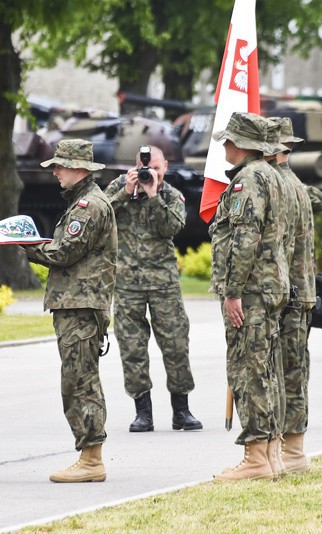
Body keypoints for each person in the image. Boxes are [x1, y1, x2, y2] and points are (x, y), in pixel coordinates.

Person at [23, 139, 117, 483]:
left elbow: (64, 252)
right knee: (77, 377)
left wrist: (26, 245)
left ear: (79, 168)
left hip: (81, 304)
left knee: (80, 380)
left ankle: (92, 458)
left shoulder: (89, 206)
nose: (56, 172)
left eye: (60, 166)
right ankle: (89, 454)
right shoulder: (82, 202)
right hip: (76, 304)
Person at [208, 112, 289, 481]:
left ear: (241, 144)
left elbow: (245, 237)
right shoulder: (272, 175)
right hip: (269, 285)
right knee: (266, 369)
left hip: (252, 289)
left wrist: (233, 292)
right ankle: (270, 454)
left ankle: (256, 457)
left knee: (248, 371)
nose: (224, 146)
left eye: (228, 141)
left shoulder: (249, 179)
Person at [103, 146, 202, 433]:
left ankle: (181, 411)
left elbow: (172, 227)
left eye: (157, 168)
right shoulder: (119, 188)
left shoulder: (170, 195)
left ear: (166, 167)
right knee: (132, 350)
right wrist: (127, 191)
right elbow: (100, 215)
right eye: (147, 168)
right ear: (135, 167)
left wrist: (153, 195)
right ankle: (142, 412)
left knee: (176, 347)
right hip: (126, 284)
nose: (152, 173)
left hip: (163, 285)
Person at [269, 117, 320, 473]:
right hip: (300, 291)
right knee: (295, 371)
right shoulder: (294, 183)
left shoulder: (281, 186)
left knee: (285, 372)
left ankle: (290, 452)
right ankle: (294, 450)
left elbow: (280, 246)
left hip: (288, 292)